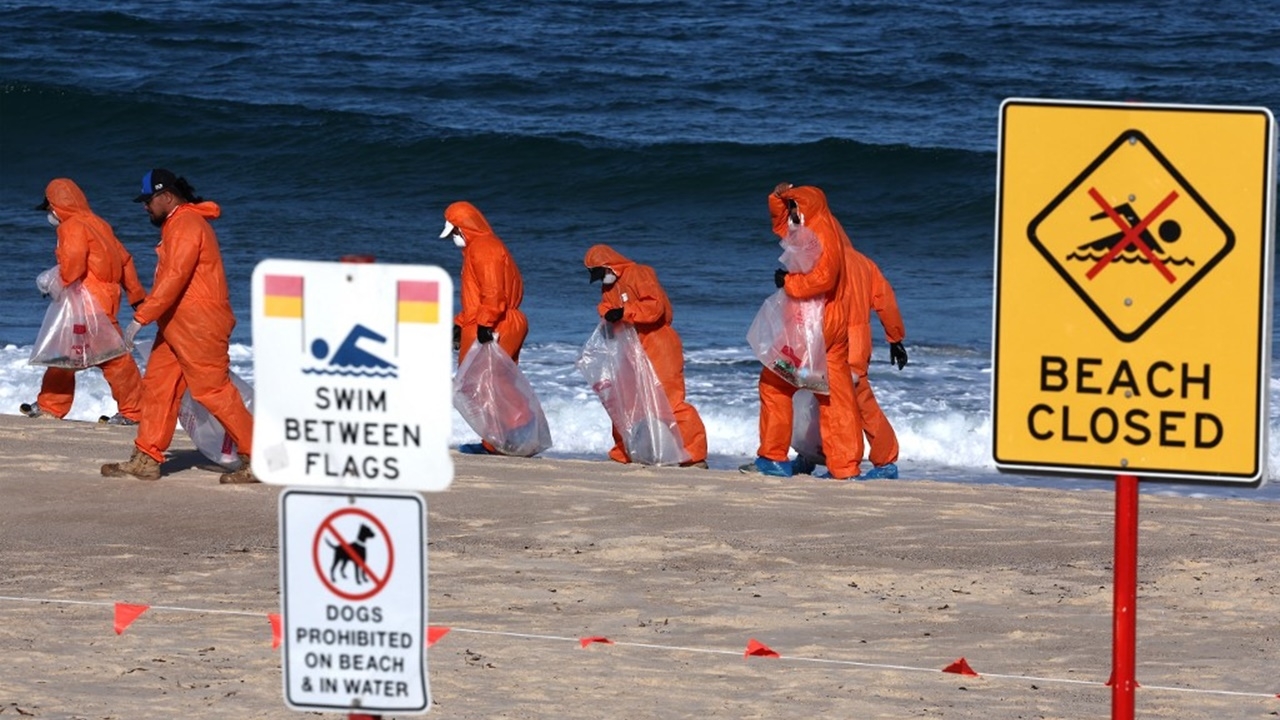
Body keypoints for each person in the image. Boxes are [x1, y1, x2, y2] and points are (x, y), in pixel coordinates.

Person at [100, 169, 258, 484]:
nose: (145, 206)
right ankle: (147, 457)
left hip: (199, 324)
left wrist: (138, 320)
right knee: (158, 386)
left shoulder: (186, 224)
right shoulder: (179, 223)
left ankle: (257, 457)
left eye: (148, 200)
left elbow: (175, 278)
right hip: (177, 324)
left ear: (167, 196)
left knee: (213, 391)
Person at [740, 183, 860, 480]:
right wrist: (778, 198)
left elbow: (824, 278)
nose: (792, 212)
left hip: (809, 328)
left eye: (796, 205)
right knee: (833, 395)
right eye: (791, 206)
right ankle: (844, 467)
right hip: (827, 327)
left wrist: (788, 283)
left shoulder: (818, 232)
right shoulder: (811, 224)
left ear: (807, 206)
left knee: (775, 384)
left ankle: (773, 457)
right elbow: (781, 224)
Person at [22, 178, 147, 425]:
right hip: (106, 299)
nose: (50, 214)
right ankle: (51, 405)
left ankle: (134, 412)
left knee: (106, 358)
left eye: (49, 209)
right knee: (71, 353)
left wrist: (53, 282)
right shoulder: (100, 224)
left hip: (87, 303)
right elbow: (125, 260)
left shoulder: (71, 226)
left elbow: (73, 266)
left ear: (57, 206)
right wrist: (136, 295)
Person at [584, 243, 708, 468]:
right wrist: (609, 316)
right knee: (625, 402)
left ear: (609, 266)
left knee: (670, 402)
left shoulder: (639, 273)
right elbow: (605, 308)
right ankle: (624, 451)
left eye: (600, 273)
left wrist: (624, 312)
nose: (600, 279)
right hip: (630, 347)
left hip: (658, 343)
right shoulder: (608, 287)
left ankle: (694, 455)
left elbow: (655, 306)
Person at [439, 201, 529, 455]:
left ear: (464, 228)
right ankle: (508, 438)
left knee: (485, 385)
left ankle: (503, 440)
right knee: (492, 383)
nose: (455, 238)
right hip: (494, 320)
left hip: (495, 323)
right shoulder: (480, 248)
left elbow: (493, 292)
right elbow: (479, 295)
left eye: (455, 232)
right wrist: (460, 324)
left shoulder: (484, 248)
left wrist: (485, 324)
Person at [842, 244, 909, 480]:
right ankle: (883, 460)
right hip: (856, 341)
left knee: (846, 402)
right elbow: (885, 300)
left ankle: (878, 460)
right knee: (856, 400)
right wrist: (895, 338)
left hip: (838, 341)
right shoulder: (864, 263)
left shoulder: (825, 258)